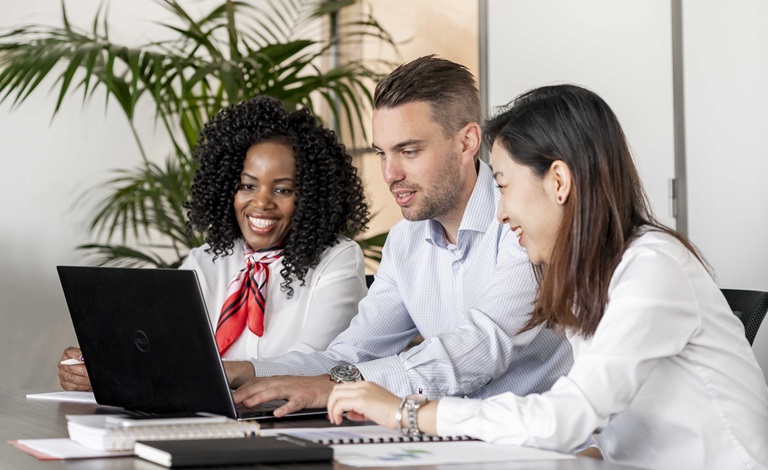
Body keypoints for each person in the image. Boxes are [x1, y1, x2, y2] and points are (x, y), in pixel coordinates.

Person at [326, 84, 768, 470]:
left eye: (502, 185)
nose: (500, 213)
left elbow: (566, 417)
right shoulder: (589, 276)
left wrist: (409, 412)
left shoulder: (652, 270)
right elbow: (614, 430)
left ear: (558, 181)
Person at [228, 56, 573, 422]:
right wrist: (248, 372)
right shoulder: (404, 241)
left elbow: (480, 347)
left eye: (408, 151)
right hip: (444, 443)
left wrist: (340, 385)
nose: (390, 174)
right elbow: (351, 355)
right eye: (382, 153)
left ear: (467, 141)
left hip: (542, 448)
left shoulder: (525, 223)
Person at [59, 95, 371, 390]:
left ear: (312, 198)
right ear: (226, 189)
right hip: (205, 417)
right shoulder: (205, 260)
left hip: (293, 422)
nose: (260, 203)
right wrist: (107, 370)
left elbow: (319, 363)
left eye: (283, 190)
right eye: (247, 185)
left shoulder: (338, 260)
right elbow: (163, 351)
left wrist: (236, 371)